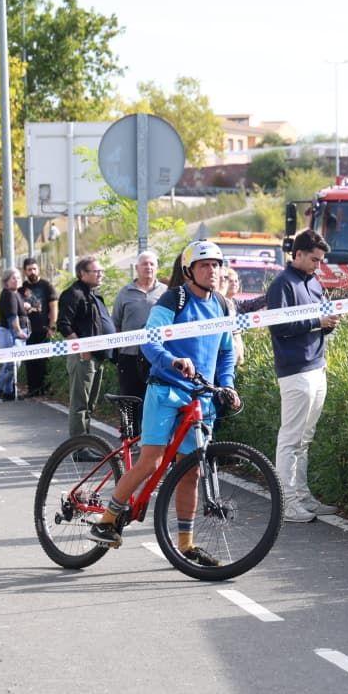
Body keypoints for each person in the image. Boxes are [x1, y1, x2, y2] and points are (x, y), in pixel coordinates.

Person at [88, 241, 238, 565]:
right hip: (166, 389)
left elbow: (226, 353)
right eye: (204, 266)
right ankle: (107, 521)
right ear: (189, 271)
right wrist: (172, 361)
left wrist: (227, 385)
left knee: (192, 471)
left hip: (202, 397)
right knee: (151, 461)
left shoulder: (223, 305)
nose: (212, 271)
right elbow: (151, 340)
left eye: (216, 265)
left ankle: (186, 545)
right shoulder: (175, 298)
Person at [265, 229, 340, 523]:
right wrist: (316, 321)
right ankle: (287, 501)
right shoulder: (282, 284)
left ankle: (302, 494)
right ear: (297, 254)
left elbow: (319, 320)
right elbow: (278, 326)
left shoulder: (314, 282)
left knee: (305, 438)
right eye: (314, 259)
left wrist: (328, 323)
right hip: (295, 370)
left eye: (321, 261)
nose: (317, 265)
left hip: (316, 365)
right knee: (291, 437)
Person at [56, 256, 111, 436]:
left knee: (89, 404)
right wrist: (81, 348)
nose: (100, 274)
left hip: (97, 356)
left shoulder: (92, 294)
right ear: (82, 274)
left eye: (101, 271)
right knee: (80, 403)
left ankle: (86, 442)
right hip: (84, 357)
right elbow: (63, 324)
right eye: (96, 271)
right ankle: (79, 448)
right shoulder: (73, 294)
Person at [110, 250, 164, 400]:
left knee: (153, 400)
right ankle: (129, 425)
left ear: (157, 268)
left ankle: (146, 425)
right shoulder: (124, 293)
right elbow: (116, 323)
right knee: (129, 399)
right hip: (130, 355)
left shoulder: (165, 292)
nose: (149, 267)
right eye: (144, 264)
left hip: (157, 356)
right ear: (137, 268)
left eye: (152, 264)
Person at [19, 257, 57, 397]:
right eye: (29, 270)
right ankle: (33, 390)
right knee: (30, 362)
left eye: (34, 269)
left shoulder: (46, 286)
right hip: (27, 331)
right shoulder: (21, 289)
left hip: (44, 329)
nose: (32, 272)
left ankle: (46, 389)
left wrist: (52, 327)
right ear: (25, 271)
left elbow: (54, 307)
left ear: (38, 269)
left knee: (44, 361)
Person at [0, 267, 27, 402]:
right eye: (13, 278)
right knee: (11, 363)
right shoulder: (9, 294)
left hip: (12, 333)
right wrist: (18, 331)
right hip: (10, 333)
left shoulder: (15, 293)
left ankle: (9, 392)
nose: (17, 280)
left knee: (13, 364)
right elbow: (12, 316)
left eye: (18, 277)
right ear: (6, 281)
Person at [219, 266, 245, 361]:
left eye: (236, 281)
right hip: (225, 358)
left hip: (234, 357)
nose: (234, 284)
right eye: (230, 281)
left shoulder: (232, 302)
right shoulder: (219, 303)